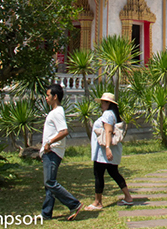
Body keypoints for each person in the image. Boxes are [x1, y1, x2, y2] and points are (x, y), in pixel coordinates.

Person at [83, 92, 133, 210]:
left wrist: (107, 148)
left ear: (108, 103)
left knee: (98, 174)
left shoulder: (107, 115)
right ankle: (128, 197)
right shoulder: (113, 114)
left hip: (103, 153)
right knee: (114, 173)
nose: (101, 105)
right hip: (107, 151)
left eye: (103, 102)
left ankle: (98, 202)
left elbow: (108, 131)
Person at [40, 83, 82, 221]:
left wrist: (49, 143)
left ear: (55, 96)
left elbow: (64, 131)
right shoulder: (54, 112)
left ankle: (74, 204)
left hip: (53, 152)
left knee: (50, 182)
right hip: (49, 152)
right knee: (49, 185)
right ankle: (46, 213)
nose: (46, 98)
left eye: (48, 95)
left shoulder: (57, 112)